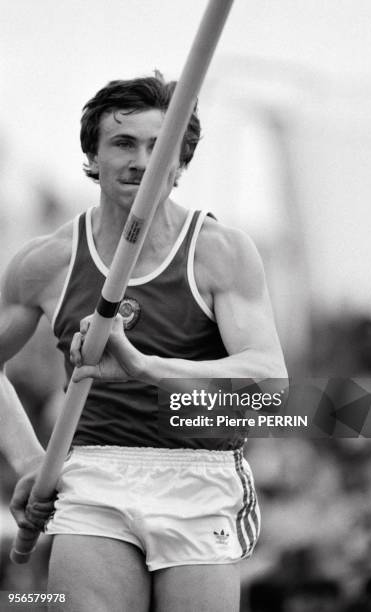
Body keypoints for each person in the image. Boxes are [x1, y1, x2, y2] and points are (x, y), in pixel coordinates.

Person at [0, 74, 287, 612]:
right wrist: (29, 459)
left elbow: (270, 381)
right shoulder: (49, 262)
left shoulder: (219, 251)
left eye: (160, 147)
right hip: (94, 473)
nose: (143, 161)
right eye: (125, 143)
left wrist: (146, 367)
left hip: (198, 477)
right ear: (93, 155)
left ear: (180, 163)